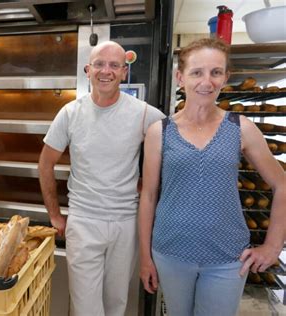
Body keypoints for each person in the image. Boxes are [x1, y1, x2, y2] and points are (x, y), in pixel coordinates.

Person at [139, 38, 285, 316]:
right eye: (197, 72)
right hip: (170, 252)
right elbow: (148, 196)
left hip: (227, 258)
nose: (206, 81)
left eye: (216, 72)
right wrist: (145, 257)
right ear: (180, 77)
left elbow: (282, 185)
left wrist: (273, 246)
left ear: (225, 77)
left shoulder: (241, 128)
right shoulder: (160, 131)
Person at [38, 41, 165, 316]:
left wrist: (148, 184)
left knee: (116, 303)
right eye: (99, 64)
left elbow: (180, 141)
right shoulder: (71, 113)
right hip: (84, 221)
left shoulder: (143, 113)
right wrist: (55, 215)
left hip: (125, 222)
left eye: (114, 65)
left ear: (124, 73)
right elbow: (45, 164)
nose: (105, 71)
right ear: (88, 70)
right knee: (85, 308)